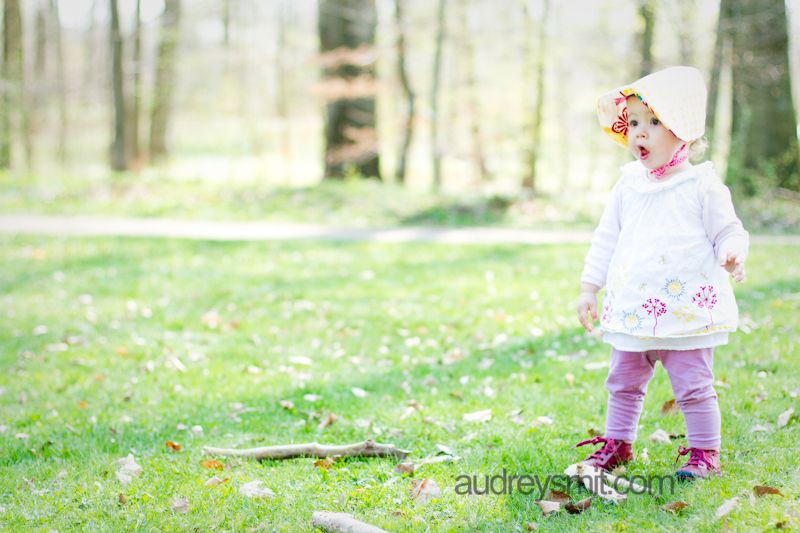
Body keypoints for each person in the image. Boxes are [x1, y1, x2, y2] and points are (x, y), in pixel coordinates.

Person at [574, 66, 749, 479]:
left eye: (654, 122)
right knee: (622, 381)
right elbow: (606, 238)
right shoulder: (627, 186)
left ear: (683, 131)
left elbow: (728, 229)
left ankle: (704, 452)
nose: (640, 133)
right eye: (634, 122)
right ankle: (618, 443)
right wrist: (589, 287)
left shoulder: (701, 185)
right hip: (633, 309)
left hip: (684, 313)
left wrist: (731, 251)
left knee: (693, 386)